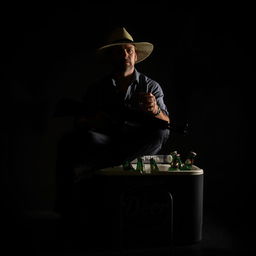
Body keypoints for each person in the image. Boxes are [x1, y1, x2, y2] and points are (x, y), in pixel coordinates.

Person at [55, 27, 171, 215]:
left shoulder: (151, 86)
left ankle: (106, 167)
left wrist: (155, 110)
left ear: (135, 55)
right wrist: (92, 121)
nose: (125, 54)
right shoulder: (97, 88)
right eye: (119, 51)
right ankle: (65, 203)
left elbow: (166, 121)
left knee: (161, 132)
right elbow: (80, 122)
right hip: (106, 142)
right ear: (111, 57)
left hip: (135, 144)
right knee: (72, 141)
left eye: (128, 50)